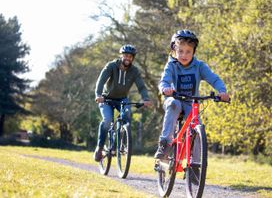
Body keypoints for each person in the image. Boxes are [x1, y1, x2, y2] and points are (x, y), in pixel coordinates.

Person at [154, 30, 229, 159]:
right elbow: (164, 80)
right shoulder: (171, 65)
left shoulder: (199, 66)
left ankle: (195, 165)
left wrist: (222, 91)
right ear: (174, 51)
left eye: (188, 51)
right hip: (175, 100)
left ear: (193, 52)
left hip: (191, 103)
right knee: (173, 104)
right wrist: (165, 88)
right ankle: (165, 143)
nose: (184, 55)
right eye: (180, 51)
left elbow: (214, 79)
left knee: (197, 127)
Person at [94, 44, 152, 162]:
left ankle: (117, 145)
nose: (128, 58)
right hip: (106, 99)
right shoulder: (111, 66)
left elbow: (141, 86)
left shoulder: (134, 71)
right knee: (107, 120)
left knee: (126, 116)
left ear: (133, 58)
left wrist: (145, 98)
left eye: (130, 56)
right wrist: (98, 95)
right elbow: (101, 81)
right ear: (121, 56)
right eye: (125, 55)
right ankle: (99, 148)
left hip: (122, 99)